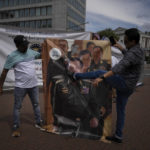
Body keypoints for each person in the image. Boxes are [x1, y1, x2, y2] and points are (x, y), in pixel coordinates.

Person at [73, 28, 144, 143]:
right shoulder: (138, 50)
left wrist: (101, 78)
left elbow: (118, 68)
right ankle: (118, 136)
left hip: (124, 83)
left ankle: (77, 76)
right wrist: (120, 47)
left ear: (133, 41)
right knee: (121, 110)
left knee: (100, 72)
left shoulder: (133, 53)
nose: (124, 42)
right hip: (130, 86)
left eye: (126, 41)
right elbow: (129, 56)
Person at [0, 35, 44, 137]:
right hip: (20, 87)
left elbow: (41, 55)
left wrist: (46, 48)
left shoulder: (31, 52)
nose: (25, 47)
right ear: (17, 45)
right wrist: (0, 87)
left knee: (36, 104)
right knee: (17, 107)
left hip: (33, 85)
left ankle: (38, 122)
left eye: (26, 44)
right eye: (23, 45)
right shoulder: (12, 56)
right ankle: (16, 126)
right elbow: (4, 73)